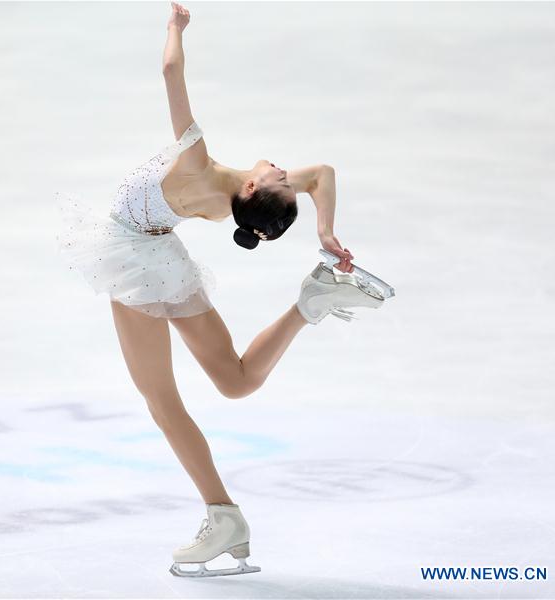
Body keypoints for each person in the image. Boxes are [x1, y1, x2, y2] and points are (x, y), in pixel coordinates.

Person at [55, 1, 387, 577]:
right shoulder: (238, 194)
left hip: (133, 255)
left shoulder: (198, 163)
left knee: (162, 400)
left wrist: (174, 27)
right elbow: (323, 175)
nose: (282, 169)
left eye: (279, 176)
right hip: (162, 254)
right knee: (235, 381)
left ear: (254, 188)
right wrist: (325, 232)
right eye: (284, 177)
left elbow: (170, 72)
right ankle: (310, 302)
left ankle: (222, 515)